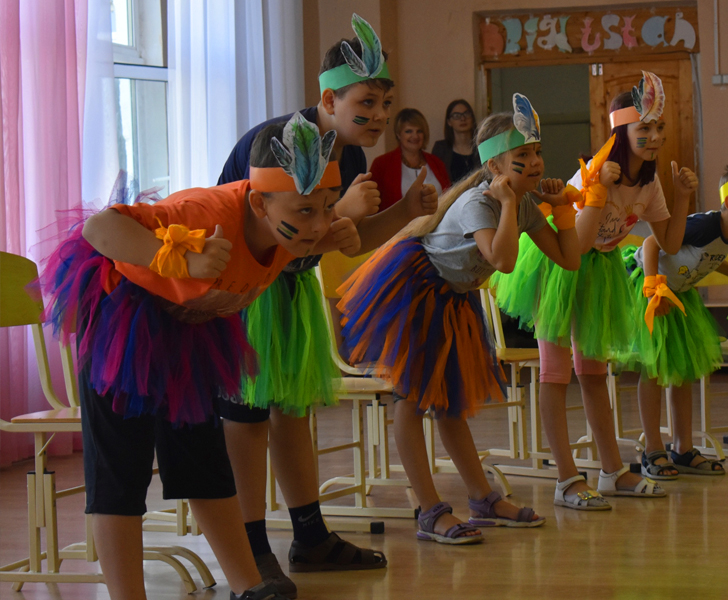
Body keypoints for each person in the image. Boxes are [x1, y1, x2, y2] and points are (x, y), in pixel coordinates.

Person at [39, 115, 359, 600]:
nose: (320, 223)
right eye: (307, 210)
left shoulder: (291, 231)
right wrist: (180, 259)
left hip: (188, 326)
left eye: (329, 208)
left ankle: (248, 586)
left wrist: (341, 234)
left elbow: (312, 233)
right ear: (259, 203)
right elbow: (99, 228)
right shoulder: (206, 213)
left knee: (203, 459)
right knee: (122, 466)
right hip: (122, 322)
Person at [215, 14, 437, 597]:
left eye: (386, 103)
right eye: (367, 103)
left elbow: (347, 241)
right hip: (246, 293)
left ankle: (309, 536)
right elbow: (266, 232)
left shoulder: (351, 156)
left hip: (289, 293)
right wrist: (342, 213)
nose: (381, 116)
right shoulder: (282, 145)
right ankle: (250, 549)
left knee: (292, 412)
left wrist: (404, 211)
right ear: (330, 99)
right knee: (247, 421)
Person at [339, 95, 580, 543]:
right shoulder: (478, 203)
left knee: (450, 402)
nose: (535, 162)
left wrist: (563, 207)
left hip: (454, 298)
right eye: (522, 154)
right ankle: (429, 511)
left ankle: (482, 499)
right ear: (495, 166)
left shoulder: (523, 204)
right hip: (417, 291)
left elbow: (569, 258)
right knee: (412, 399)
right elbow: (503, 261)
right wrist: (510, 206)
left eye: (537, 152)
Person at [494, 72, 698, 509]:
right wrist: (600, 188)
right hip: (557, 261)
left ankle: (612, 471)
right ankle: (566, 479)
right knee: (555, 373)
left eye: (660, 127)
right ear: (621, 131)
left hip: (598, 267)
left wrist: (682, 197)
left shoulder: (649, 183)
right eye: (645, 128)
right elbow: (579, 244)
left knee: (593, 372)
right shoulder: (595, 175)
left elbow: (670, 242)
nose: (655, 136)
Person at [623, 148, 728, 477]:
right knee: (654, 369)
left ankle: (683, 448)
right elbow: (651, 244)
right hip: (649, 288)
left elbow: (710, 257)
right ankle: (653, 450)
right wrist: (652, 287)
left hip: (680, 294)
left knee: (683, 372)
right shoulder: (705, 224)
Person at [370, 108, 451, 211]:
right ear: (398, 134)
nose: (415, 136)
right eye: (408, 131)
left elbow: (449, 199)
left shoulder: (437, 163)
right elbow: (371, 206)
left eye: (419, 131)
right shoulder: (381, 164)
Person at [432, 99, 481, 183]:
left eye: (466, 114)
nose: (463, 118)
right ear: (449, 122)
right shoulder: (441, 149)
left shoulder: (482, 146)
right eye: (456, 116)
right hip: (451, 191)